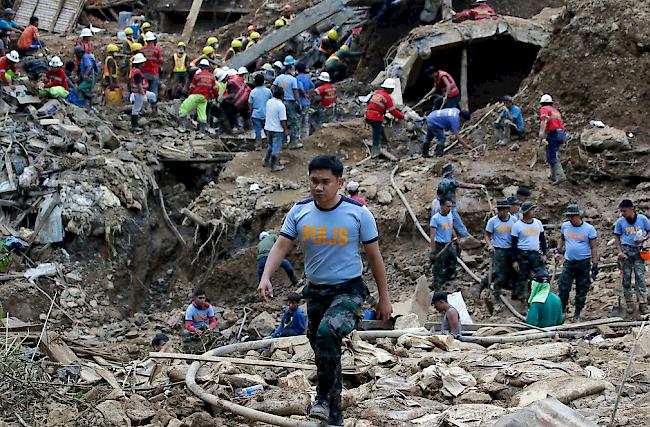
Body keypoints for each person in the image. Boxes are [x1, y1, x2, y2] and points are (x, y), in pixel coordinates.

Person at [258, 155, 392, 427]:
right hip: (316, 292)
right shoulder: (300, 211)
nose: (318, 187)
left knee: (327, 332)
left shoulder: (358, 213)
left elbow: (375, 257)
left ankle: (320, 397)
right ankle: (334, 415)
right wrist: (266, 277)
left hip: (349, 291)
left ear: (340, 182)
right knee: (325, 352)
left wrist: (384, 298)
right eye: (314, 181)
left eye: (325, 182)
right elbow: (282, 246)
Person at [555, 204, 598, 322]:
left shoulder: (589, 229)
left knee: (582, 288)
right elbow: (562, 239)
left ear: (578, 216)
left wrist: (595, 264)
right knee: (563, 286)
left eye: (572, 216)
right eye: (568, 216)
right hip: (569, 262)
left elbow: (594, 247)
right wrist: (558, 250)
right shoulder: (565, 226)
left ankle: (577, 313)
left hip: (583, 262)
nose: (570, 218)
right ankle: (562, 310)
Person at [614, 199, 650, 315]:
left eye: (624, 211)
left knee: (640, 276)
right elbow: (617, 237)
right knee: (626, 278)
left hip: (639, 251)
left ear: (632, 209)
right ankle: (629, 302)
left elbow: (649, 231)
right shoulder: (620, 222)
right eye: (621, 211)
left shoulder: (643, 219)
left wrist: (644, 239)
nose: (622, 213)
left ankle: (643, 303)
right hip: (626, 251)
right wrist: (619, 251)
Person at [510, 201, 548, 302]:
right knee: (522, 276)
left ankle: (540, 296)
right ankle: (523, 299)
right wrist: (514, 260)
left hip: (535, 253)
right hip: (522, 253)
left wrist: (544, 253)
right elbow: (513, 245)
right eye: (531, 210)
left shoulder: (538, 223)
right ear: (526, 212)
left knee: (541, 274)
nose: (533, 212)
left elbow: (542, 239)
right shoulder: (517, 225)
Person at [436, 162, 484, 238]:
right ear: (451, 172)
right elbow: (466, 185)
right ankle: (468, 238)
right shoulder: (451, 182)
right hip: (450, 207)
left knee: (445, 224)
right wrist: (479, 186)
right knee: (458, 224)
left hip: (441, 206)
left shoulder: (442, 182)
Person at [484, 199, 517, 306]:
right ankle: (496, 296)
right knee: (499, 274)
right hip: (499, 250)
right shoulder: (493, 221)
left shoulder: (514, 220)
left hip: (511, 249)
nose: (502, 212)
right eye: (500, 210)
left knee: (513, 272)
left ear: (508, 209)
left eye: (504, 210)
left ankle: (515, 295)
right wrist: (490, 245)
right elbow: (487, 235)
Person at [364, 78, 405, 157]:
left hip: (368, 114)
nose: (392, 91)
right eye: (392, 89)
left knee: (380, 129)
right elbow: (393, 111)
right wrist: (402, 116)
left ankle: (385, 143)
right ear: (389, 89)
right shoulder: (387, 97)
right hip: (375, 117)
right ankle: (375, 151)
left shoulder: (377, 93)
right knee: (376, 133)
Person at [179, 59, 218, 133]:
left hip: (196, 95)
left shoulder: (197, 75)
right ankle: (202, 132)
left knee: (183, 108)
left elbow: (192, 87)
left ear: (200, 67)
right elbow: (215, 89)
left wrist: (189, 95)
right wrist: (215, 96)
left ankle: (182, 127)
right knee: (202, 114)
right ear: (208, 67)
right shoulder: (212, 77)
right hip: (204, 98)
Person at [272, 56, 302, 148]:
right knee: (293, 122)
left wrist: (276, 97)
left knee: (282, 122)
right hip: (290, 103)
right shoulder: (293, 79)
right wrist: (299, 103)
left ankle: (283, 142)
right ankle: (293, 142)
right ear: (291, 67)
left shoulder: (279, 78)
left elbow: (272, 88)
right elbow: (295, 92)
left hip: (281, 102)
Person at [429, 198, 457, 290]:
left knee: (452, 261)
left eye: (451, 206)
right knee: (438, 266)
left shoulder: (450, 216)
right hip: (439, 245)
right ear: (441, 206)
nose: (450, 208)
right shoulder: (435, 218)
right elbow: (432, 236)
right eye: (448, 206)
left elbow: (451, 227)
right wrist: (433, 251)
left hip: (448, 243)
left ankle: (446, 280)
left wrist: (455, 237)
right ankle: (436, 285)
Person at [539, 94, 567, 184]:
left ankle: (560, 176)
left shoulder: (544, 109)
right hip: (562, 134)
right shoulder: (555, 110)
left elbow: (544, 121)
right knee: (552, 154)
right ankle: (553, 176)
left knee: (551, 157)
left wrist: (541, 134)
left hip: (554, 134)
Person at [263, 86, 289, 171]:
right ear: (282, 95)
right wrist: (285, 130)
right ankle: (274, 166)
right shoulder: (281, 106)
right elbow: (283, 120)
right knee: (276, 149)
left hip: (268, 127)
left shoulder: (269, 102)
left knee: (270, 146)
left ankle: (265, 160)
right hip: (277, 130)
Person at [129, 53, 156, 130]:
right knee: (136, 109)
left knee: (153, 96)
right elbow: (139, 84)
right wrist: (143, 94)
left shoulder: (136, 71)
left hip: (141, 92)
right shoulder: (137, 72)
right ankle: (134, 126)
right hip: (139, 93)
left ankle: (153, 112)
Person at [222, 66, 252, 132]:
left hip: (241, 100)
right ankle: (248, 129)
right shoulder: (237, 80)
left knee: (232, 113)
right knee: (245, 114)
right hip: (246, 98)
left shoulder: (231, 82)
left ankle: (238, 127)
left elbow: (232, 94)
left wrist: (223, 98)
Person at [249, 73, 273, 145]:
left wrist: (250, 113)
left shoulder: (253, 92)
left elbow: (250, 104)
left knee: (258, 131)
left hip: (256, 115)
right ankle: (270, 144)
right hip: (266, 114)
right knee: (267, 130)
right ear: (263, 81)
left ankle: (258, 145)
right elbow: (271, 102)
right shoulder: (268, 91)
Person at [140, 32, 162, 113]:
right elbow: (160, 61)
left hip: (144, 73)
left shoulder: (142, 49)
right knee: (153, 91)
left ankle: (142, 109)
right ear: (153, 40)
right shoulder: (156, 50)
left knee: (144, 90)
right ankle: (154, 109)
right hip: (153, 73)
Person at [295, 62, 314, 140]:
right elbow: (312, 86)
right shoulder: (307, 78)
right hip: (306, 102)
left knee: (298, 120)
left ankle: (297, 137)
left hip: (299, 102)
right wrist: (308, 95)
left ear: (297, 70)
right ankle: (305, 137)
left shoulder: (297, 78)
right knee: (305, 119)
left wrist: (303, 94)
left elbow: (300, 87)